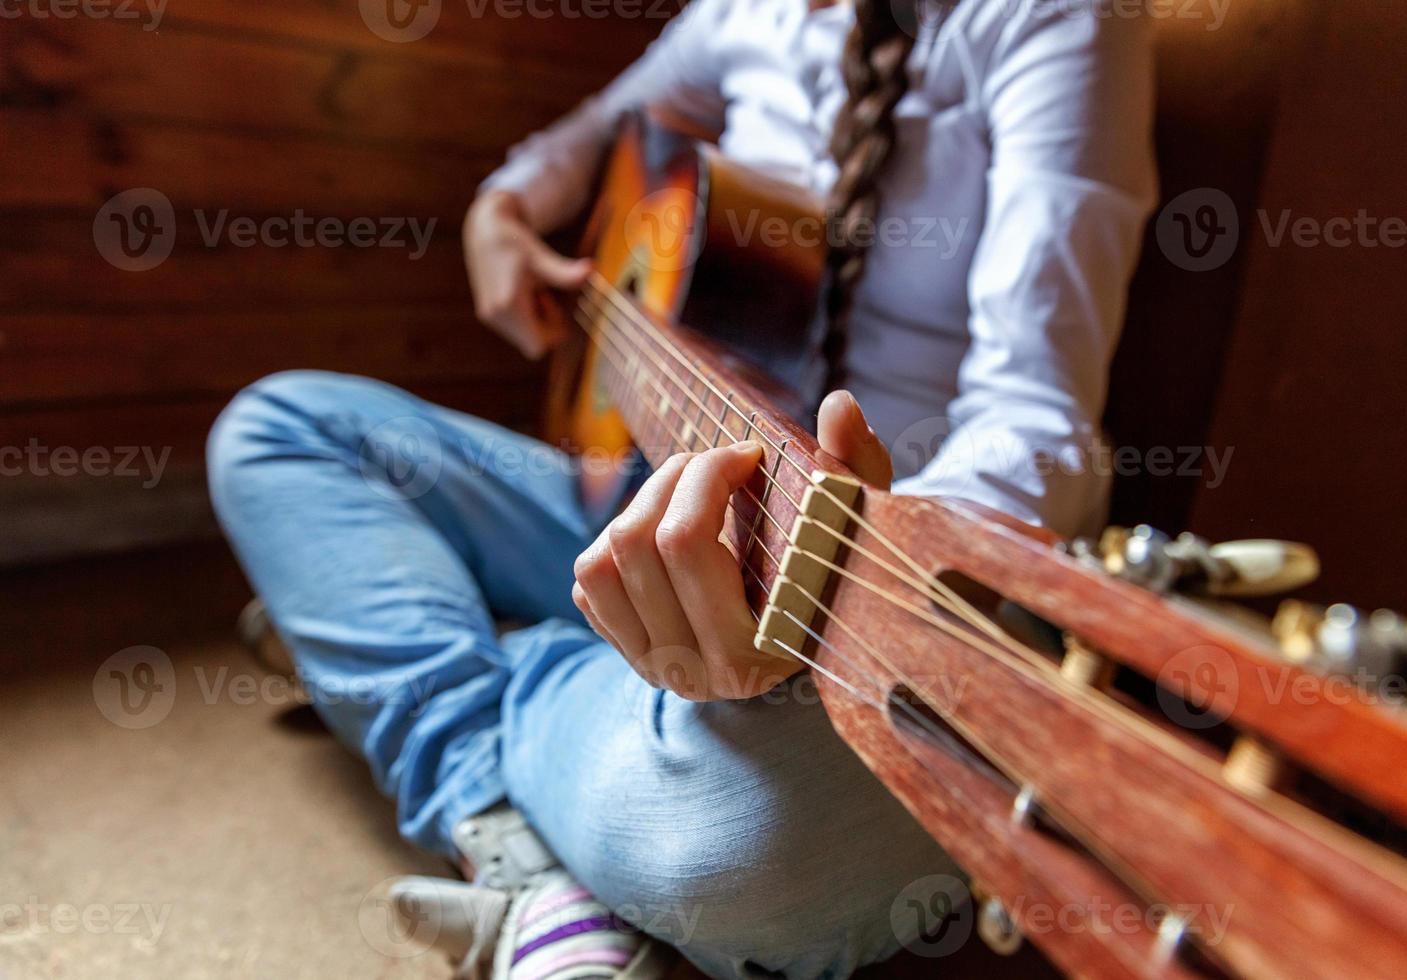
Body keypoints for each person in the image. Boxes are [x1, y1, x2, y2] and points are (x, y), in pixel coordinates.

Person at [208, 0, 1156, 975]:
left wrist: (864, 572)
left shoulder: (1050, 16)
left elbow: (1038, 425)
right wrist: (502, 206)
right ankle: (508, 808)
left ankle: (447, 655)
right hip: (619, 486)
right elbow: (583, 138)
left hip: (869, 591)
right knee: (280, 429)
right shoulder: (737, 14)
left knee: (742, 846)